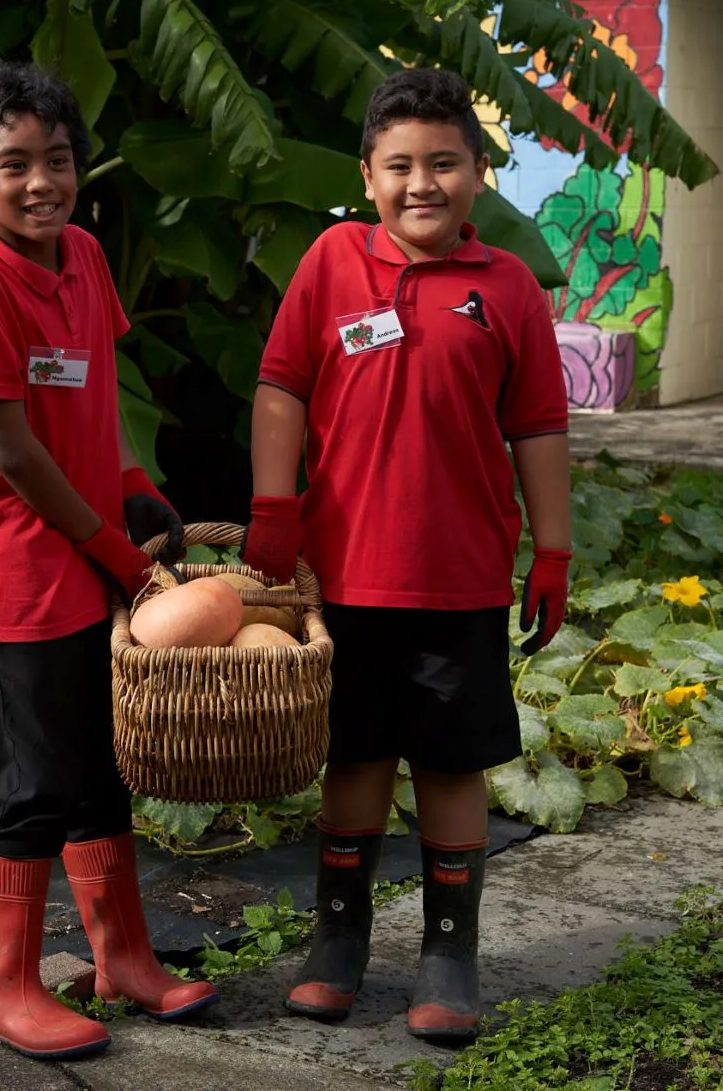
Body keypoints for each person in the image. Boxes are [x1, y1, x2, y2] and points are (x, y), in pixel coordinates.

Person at [242, 67, 573, 1041]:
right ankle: (337, 942)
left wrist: (550, 551)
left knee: (449, 764)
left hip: (460, 577)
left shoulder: (506, 288)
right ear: (366, 174)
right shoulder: (331, 260)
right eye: (399, 166)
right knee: (352, 758)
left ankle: (447, 954)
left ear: (477, 174)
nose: (420, 183)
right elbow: (281, 387)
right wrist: (272, 506)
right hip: (344, 575)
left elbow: (541, 428)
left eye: (443, 163)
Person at [0, 62, 218, 1060]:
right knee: (35, 783)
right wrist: (112, 548)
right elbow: (11, 453)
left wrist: (135, 482)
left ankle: (124, 962)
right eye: (13, 165)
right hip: (18, 576)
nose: (40, 181)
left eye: (57, 159)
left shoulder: (85, 257)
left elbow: (95, 397)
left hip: (92, 558)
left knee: (100, 774)